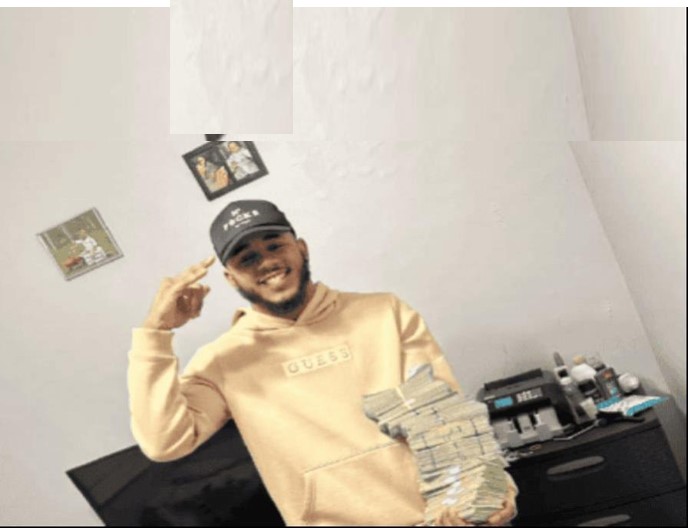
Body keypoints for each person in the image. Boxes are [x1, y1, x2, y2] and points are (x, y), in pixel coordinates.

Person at [127, 199, 518, 526]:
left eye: (275, 245)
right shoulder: (221, 361)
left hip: (437, 518)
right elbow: (164, 442)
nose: (266, 262)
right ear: (231, 279)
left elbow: (446, 416)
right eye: (247, 258)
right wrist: (155, 333)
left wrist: (492, 491)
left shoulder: (384, 313)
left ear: (302, 248)